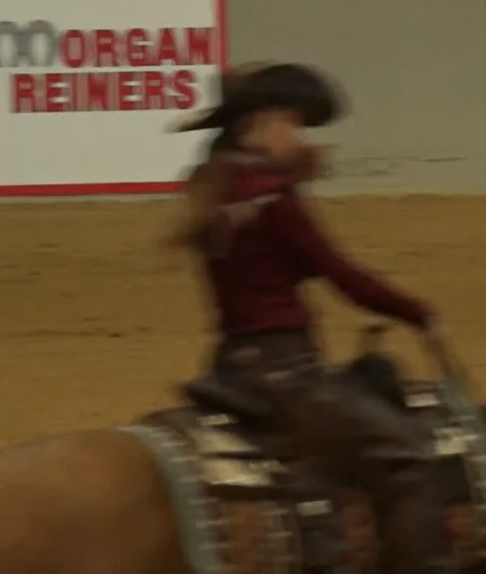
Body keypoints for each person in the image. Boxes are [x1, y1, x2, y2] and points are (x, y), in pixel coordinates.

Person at [166, 61, 452, 574]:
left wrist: (291, 172)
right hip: (286, 370)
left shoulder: (213, 188)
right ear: (259, 124)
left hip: (234, 363)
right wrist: (418, 313)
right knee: (412, 462)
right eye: (290, 124)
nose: (296, 136)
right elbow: (339, 274)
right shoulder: (275, 199)